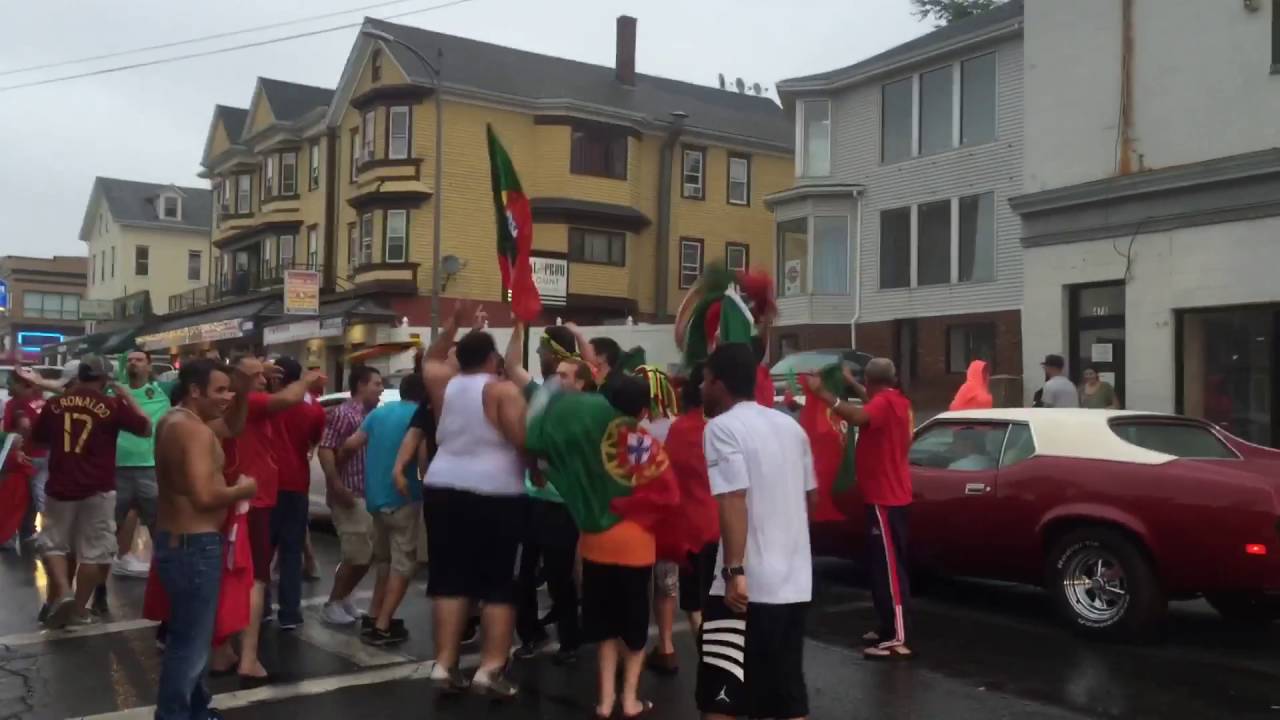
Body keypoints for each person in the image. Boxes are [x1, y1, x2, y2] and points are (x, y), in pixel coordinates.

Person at [698, 343, 816, 720]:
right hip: (794, 586)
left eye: (704, 381)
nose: (701, 389)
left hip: (743, 591)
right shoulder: (790, 427)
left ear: (718, 383)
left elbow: (733, 498)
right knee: (786, 697)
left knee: (722, 696)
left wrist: (735, 572)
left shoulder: (722, 428)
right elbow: (809, 497)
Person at [420, 307, 527, 698]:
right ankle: (490, 668)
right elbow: (521, 440)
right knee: (497, 583)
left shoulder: (441, 381)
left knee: (449, 579)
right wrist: (540, 466)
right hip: (495, 490)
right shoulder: (502, 390)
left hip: (443, 483)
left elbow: (432, 356)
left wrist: (456, 323)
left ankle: (444, 664)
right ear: (491, 360)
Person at [153, 359, 257, 720]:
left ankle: (197, 709)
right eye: (220, 391)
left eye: (229, 389)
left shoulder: (175, 421)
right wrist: (242, 488)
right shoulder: (194, 432)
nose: (226, 397)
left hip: (178, 542)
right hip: (194, 547)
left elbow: (232, 426)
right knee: (189, 644)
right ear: (195, 391)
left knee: (189, 637)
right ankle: (174, 715)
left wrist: (242, 393)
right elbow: (204, 497)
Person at [34, 355, 152, 629]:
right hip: (98, 488)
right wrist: (125, 396)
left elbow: (39, 439)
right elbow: (145, 428)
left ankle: (63, 592)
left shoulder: (54, 405)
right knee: (94, 552)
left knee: (53, 544)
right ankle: (78, 610)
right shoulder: (111, 404)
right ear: (104, 378)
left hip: (60, 485)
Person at [219, 355, 318, 681]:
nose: (265, 379)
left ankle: (224, 648)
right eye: (259, 375)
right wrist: (306, 378)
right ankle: (248, 656)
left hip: (245, 495)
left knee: (234, 574)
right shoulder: (252, 401)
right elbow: (289, 398)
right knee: (255, 579)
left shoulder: (235, 404)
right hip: (254, 500)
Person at [809, 357, 914, 660]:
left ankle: (897, 638)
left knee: (891, 572)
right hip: (887, 498)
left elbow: (856, 416)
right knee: (881, 569)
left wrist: (823, 394)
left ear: (871, 381)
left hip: (887, 500)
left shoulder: (883, 405)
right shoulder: (895, 401)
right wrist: (851, 381)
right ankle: (886, 627)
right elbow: (871, 405)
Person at [505, 323, 585, 665]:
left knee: (559, 577)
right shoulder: (538, 391)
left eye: (542, 350)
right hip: (533, 499)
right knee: (523, 577)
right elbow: (511, 366)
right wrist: (518, 324)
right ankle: (532, 634)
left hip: (563, 502)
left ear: (556, 354)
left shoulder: (577, 395)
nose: (538, 356)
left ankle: (570, 641)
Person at [338, 372, 427, 646]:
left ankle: (375, 614)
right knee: (404, 564)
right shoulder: (421, 417)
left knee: (385, 561)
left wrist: (340, 472)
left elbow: (350, 445)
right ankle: (383, 624)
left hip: (375, 499)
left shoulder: (380, 413)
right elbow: (423, 461)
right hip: (403, 497)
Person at [318, 365, 385, 627]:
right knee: (356, 553)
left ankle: (344, 597)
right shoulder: (344, 414)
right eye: (376, 384)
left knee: (368, 553)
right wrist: (335, 485)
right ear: (360, 385)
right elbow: (326, 449)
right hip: (349, 493)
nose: (380, 389)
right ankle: (332, 602)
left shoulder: (374, 415)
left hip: (369, 494)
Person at [267, 357, 326, 630]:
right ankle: (290, 613)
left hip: (265, 483)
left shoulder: (266, 400)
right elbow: (315, 439)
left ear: (277, 376)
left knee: (261, 552)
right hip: (296, 483)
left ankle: (262, 608)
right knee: (292, 551)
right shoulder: (313, 406)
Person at [665, 368, 719, 636]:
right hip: (725, 523)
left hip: (690, 526)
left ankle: (703, 642)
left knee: (692, 597)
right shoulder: (724, 427)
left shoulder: (679, 429)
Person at [112, 350, 172, 579]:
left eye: (138, 360)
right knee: (112, 526)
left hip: (150, 467)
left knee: (159, 524)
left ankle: (164, 575)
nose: (133, 364)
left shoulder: (163, 390)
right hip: (118, 468)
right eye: (129, 360)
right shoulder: (113, 392)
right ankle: (102, 586)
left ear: (149, 366)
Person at [3, 371, 46, 554]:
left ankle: (9, 537)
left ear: (22, 385)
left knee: (16, 496)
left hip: (25, 456)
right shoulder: (42, 401)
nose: (8, 387)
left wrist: (20, 446)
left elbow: (24, 425)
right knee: (36, 494)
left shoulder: (17, 404)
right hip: (46, 454)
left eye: (11, 383)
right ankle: (29, 532)